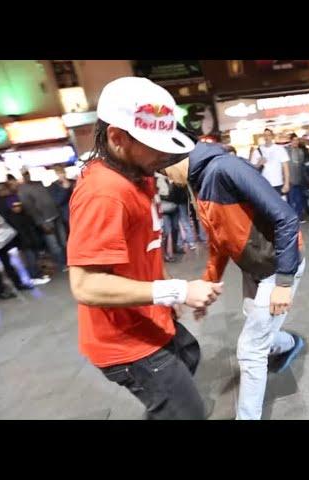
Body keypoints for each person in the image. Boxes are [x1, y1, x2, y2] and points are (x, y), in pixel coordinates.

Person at [67, 76, 223, 420]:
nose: (165, 154)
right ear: (117, 138)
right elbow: (85, 285)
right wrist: (177, 290)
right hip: (124, 342)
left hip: (149, 318)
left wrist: (168, 297)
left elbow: (146, 246)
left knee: (189, 356)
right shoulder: (104, 192)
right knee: (188, 412)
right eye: (155, 145)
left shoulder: (140, 173)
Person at [164, 141, 307, 421]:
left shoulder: (225, 168)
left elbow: (287, 219)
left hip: (277, 266)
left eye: (163, 168)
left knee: (251, 349)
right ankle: (290, 343)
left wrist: (284, 282)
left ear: (175, 156)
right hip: (254, 266)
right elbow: (219, 244)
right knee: (257, 325)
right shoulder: (198, 183)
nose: (165, 176)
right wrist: (209, 285)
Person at [18, 167, 67, 271]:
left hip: (55, 215)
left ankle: (69, 261)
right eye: (24, 174)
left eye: (27, 173)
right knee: (54, 245)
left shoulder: (38, 183)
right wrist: (41, 222)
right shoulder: (22, 190)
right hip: (45, 220)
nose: (27, 175)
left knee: (63, 241)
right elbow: (30, 208)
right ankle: (62, 264)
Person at [250, 128, 290, 196]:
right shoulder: (257, 151)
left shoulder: (280, 149)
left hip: (278, 183)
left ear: (272, 136)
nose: (267, 137)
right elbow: (251, 169)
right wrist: (259, 163)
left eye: (268, 135)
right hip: (263, 185)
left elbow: (286, 168)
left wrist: (286, 183)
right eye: (265, 135)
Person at [285, 133, 307, 222]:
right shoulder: (286, 151)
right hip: (290, 179)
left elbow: (302, 165)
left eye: (297, 140)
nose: (296, 142)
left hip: (299, 179)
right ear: (290, 141)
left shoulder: (300, 151)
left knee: (299, 199)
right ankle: (292, 218)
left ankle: (300, 216)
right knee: (291, 200)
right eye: (294, 140)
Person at [49, 165, 75, 236]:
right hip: (67, 216)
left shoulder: (73, 181)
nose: (62, 175)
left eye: (62, 172)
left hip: (79, 211)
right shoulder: (53, 186)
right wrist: (65, 189)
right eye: (59, 173)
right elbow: (57, 201)